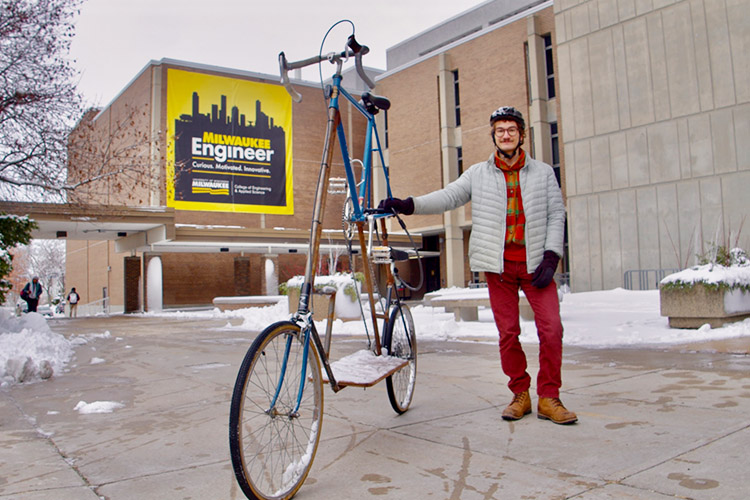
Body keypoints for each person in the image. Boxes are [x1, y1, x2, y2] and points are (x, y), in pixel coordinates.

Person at [379, 106, 576, 425]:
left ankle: (550, 397)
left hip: (536, 265)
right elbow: (448, 197)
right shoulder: (477, 174)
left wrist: (552, 255)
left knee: (552, 329)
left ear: (522, 134)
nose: (506, 135)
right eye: (500, 130)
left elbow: (557, 213)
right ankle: (521, 394)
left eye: (512, 129)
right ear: (493, 136)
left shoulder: (543, 173)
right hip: (499, 268)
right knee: (508, 333)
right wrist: (408, 204)